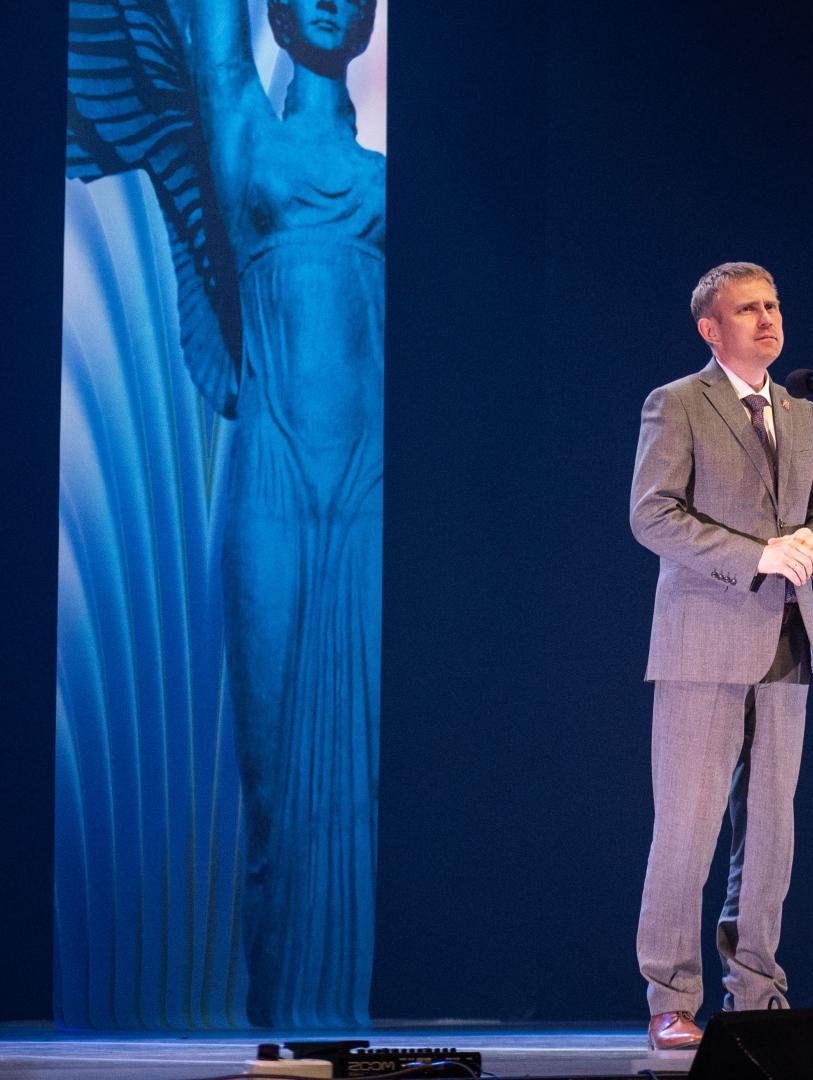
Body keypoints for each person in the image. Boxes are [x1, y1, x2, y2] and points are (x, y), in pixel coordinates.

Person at [68, 0, 385, 1027]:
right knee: (273, 770)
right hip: (273, 477)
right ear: (278, 18)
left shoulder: (388, 180)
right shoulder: (242, 132)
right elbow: (210, 37)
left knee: (355, 776)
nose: (329, 0)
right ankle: (278, 1019)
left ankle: (339, 1015)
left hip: (369, 488)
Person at [630, 262, 813, 1050]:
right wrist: (756, 555)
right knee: (687, 830)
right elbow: (653, 516)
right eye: (748, 308)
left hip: (787, 639)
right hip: (702, 642)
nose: (768, 318)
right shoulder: (678, 403)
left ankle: (757, 996)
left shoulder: (804, 415)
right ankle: (671, 997)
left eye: (773, 304)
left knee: (770, 833)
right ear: (710, 329)